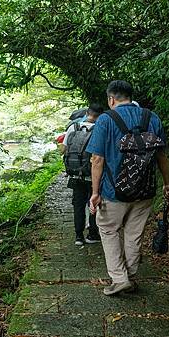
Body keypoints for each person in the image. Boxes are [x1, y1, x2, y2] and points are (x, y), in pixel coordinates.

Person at [86, 80, 169, 295]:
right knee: (134, 234)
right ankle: (130, 276)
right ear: (130, 97)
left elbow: (97, 159)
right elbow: (161, 155)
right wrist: (168, 183)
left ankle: (119, 278)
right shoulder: (151, 117)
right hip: (145, 190)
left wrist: (95, 193)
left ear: (111, 99)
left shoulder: (106, 120)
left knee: (109, 230)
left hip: (113, 191)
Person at [62, 103, 104, 246]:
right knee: (94, 202)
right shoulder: (100, 129)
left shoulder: (73, 127)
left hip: (75, 174)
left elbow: (64, 149)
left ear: (87, 113)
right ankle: (92, 234)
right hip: (93, 175)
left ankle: (79, 237)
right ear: (100, 116)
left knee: (78, 205)